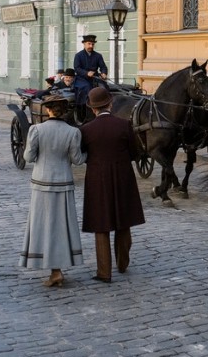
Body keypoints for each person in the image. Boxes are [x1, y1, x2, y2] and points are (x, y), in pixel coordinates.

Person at [19, 95, 87, 287]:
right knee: (61, 226)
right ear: (64, 111)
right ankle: (57, 269)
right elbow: (78, 160)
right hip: (63, 182)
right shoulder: (73, 132)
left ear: (48, 110)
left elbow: (28, 157)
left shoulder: (36, 130)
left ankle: (54, 270)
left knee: (43, 225)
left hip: (41, 183)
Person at [80, 87, 145, 283]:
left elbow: (83, 156)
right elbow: (135, 153)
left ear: (93, 109)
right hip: (123, 176)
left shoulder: (86, 130)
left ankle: (104, 272)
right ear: (110, 104)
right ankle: (122, 263)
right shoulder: (124, 125)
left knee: (101, 225)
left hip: (97, 179)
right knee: (123, 220)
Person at [73, 34, 108, 107]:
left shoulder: (98, 56)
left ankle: (104, 107)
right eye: (89, 44)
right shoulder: (78, 55)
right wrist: (86, 73)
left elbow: (103, 67)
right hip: (81, 79)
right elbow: (77, 68)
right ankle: (87, 107)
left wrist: (104, 73)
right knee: (87, 87)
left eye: (92, 44)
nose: (91, 46)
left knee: (104, 88)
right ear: (84, 44)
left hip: (95, 78)